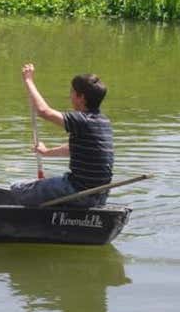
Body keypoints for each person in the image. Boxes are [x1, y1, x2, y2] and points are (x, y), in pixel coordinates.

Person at [10, 63, 114, 207]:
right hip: (99, 196)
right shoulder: (104, 122)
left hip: (78, 191)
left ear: (81, 97)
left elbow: (44, 111)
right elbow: (74, 149)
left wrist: (28, 80)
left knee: (17, 188)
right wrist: (46, 152)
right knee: (43, 188)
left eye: (72, 92)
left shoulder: (82, 120)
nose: (70, 96)